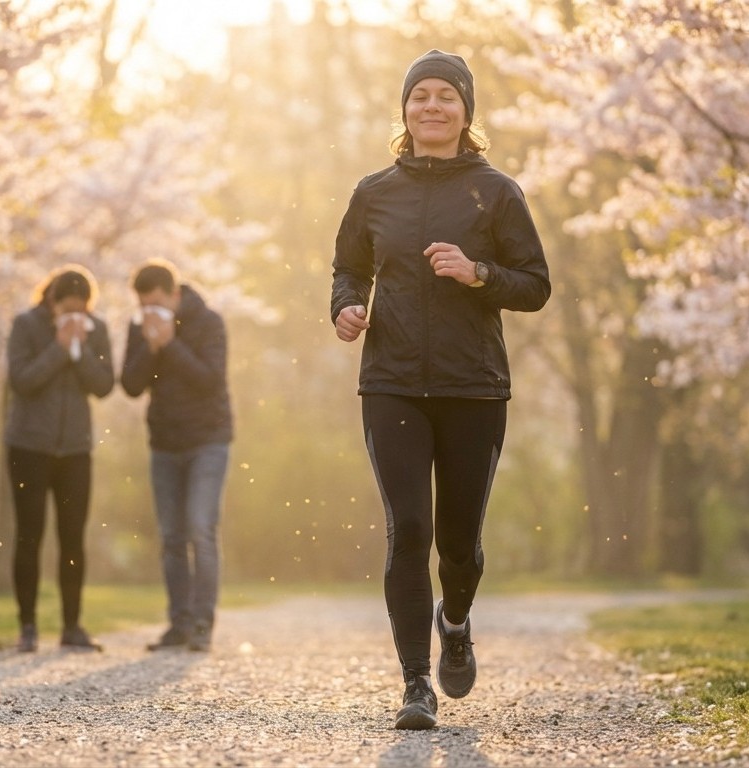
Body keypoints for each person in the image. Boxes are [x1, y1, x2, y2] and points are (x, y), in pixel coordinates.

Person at [330, 50, 551, 729]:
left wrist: (477, 272)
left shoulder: (496, 192)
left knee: (458, 544)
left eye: (444, 97)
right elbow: (347, 264)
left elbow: (535, 286)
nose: (431, 106)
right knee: (409, 530)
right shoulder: (374, 192)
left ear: (465, 112)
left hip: (472, 388)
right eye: (419, 95)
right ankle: (414, 685)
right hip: (391, 383)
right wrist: (343, 305)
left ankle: (453, 620)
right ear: (404, 109)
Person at [121, 258, 233, 653]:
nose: (151, 311)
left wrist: (171, 344)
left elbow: (210, 380)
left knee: (201, 528)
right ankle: (178, 624)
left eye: (156, 302)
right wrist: (151, 349)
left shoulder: (208, 322)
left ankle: (202, 623)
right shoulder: (140, 327)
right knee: (171, 536)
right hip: (164, 442)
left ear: (174, 294)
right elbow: (131, 385)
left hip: (208, 440)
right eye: (144, 305)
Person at [4, 265, 114, 653]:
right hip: (28, 446)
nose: (75, 317)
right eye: (68, 310)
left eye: (81, 311)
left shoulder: (96, 330)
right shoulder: (26, 326)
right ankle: (28, 626)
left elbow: (103, 385)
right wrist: (57, 348)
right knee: (29, 535)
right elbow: (21, 381)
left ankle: (72, 626)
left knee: (72, 538)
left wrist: (79, 350)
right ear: (51, 302)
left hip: (75, 450)